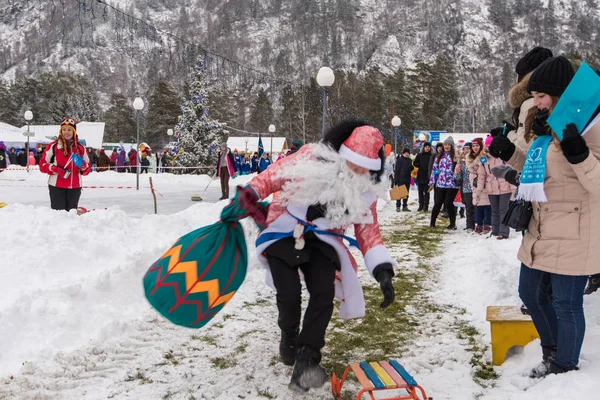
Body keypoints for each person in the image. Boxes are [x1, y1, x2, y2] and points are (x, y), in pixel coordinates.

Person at [242, 120, 395, 392]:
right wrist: (253, 192)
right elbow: (274, 175)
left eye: (364, 169)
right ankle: (288, 334)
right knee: (288, 293)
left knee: (323, 292)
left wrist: (383, 270)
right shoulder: (311, 157)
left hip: (324, 240)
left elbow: (368, 230)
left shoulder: (365, 190)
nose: (357, 172)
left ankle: (307, 359)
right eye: (353, 164)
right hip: (285, 229)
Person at [489, 56, 600, 377]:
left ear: (561, 94)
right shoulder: (545, 127)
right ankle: (551, 350)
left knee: (566, 303)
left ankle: (564, 365)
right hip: (541, 225)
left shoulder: (593, 126)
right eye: (533, 96)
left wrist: (579, 155)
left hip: (576, 228)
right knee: (530, 293)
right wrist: (510, 153)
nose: (534, 103)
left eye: (540, 96)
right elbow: (538, 174)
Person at [39, 118, 90, 211]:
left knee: (71, 217)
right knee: (58, 216)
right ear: (61, 131)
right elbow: (42, 165)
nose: (66, 132)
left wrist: (83, 166)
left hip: (74, 187)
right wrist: (56, 169)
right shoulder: (53, 146)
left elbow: (87, 169)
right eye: (64, 129)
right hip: (57, 187)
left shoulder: (81, 148)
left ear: (74, 132)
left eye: (69, 129)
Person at [477, 134, 515, 239]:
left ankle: (504, 232)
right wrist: (479, 189)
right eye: (487, 146)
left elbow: (511, 171)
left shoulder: (503, 157)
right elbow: (481, 174)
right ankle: (495, 231)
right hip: (491, 187)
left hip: (504, 186)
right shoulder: (484, 159)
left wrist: (513, 188)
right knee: (494, 210)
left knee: (503, 209)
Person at [429, 137, 458, 229]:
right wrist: (432, 182)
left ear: (452, 146)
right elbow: (434, 169)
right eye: (445, 144)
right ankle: (432, 222)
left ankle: (452, 224)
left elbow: (459, 168)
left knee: (449, 203)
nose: (446, 146)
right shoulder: (439, 156)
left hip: (452, 184)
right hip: (440, 183)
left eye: (449, 145)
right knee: (438, 203)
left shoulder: (455, 156)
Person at [467, 137, 492, 234]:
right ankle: (479, 224)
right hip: (474, 183)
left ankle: (488, 224)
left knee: (486, 204)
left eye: (477, 145)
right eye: (473, 146)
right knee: (478, 205)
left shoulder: (484, 156)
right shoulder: (469, 157)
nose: (475, 148)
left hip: (484, 182)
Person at [454, 142, 475, 231]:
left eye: (468, 149)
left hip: (475, 187)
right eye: (464, 149)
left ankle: (477, 224)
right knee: (468, 206)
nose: (466, 151)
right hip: (465, 187)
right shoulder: (461, 162)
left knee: (475, 206)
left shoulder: (475, 160)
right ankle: (469, 225)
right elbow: (458, 178)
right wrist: (457, 172)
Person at [414, 142, 433, 212]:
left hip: (428, 176)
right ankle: (420, 205)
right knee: (420, 192)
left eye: (428, 147)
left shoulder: (432, 155)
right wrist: (420, 165)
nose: (427, 148)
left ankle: (426, 206)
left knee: (427, 192)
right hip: (420, 175)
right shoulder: (419, 155)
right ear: (424, 148)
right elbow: (415, 163)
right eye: (426, 147)